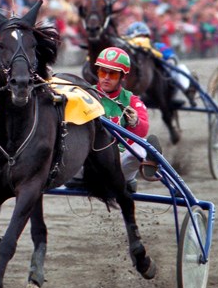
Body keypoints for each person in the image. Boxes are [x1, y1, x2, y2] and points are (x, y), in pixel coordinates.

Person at [66, 46, 161, 193]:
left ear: (123, 77)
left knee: (142, 147)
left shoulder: (131, 100)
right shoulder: (84, 94)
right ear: (97, 72)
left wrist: (135, 121)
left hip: (118, 165)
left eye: (113, 74)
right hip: (89, 162)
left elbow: (144, 128)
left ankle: (138, 171)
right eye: (103, 72)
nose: (106, 78)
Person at [125, 21, 190, 107]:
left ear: (148, 37)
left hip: (163, 79)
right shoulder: (129, 52)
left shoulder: (158, 46)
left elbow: (172, 57)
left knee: (181, 67)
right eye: (137, 37)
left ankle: (186, 90)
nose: (140, 40)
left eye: (143, 37)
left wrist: (170, 62)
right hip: (139, 84)